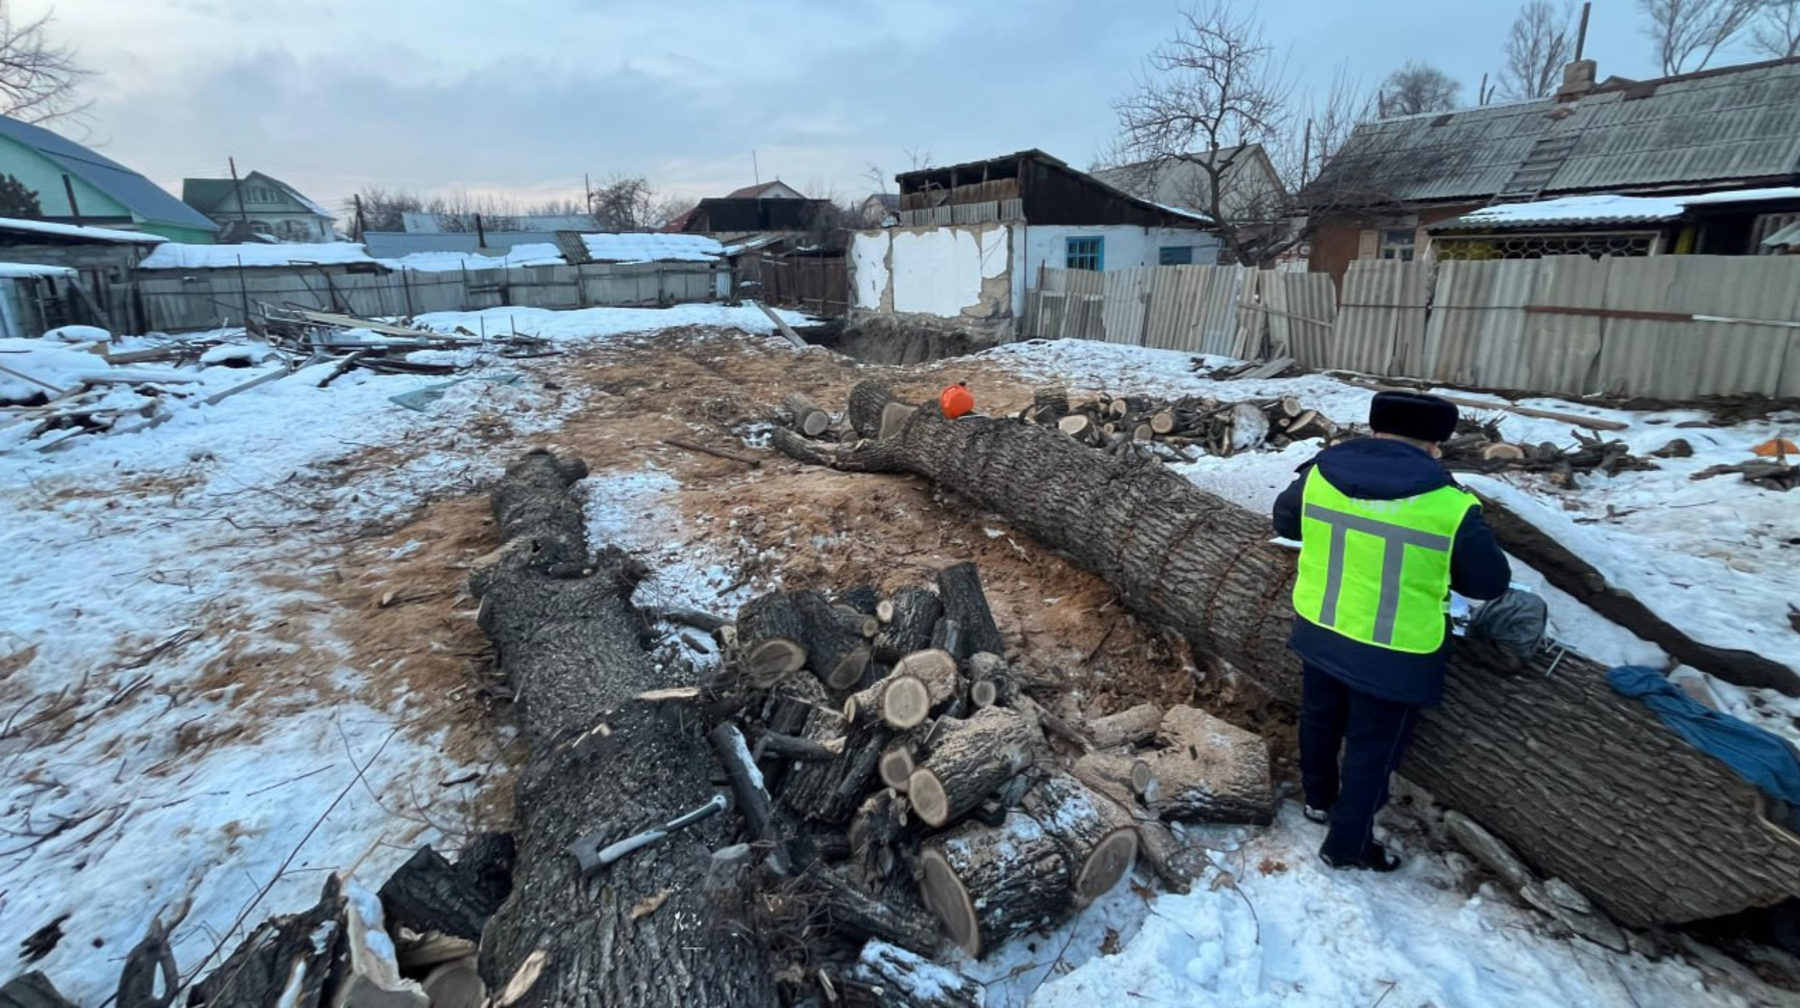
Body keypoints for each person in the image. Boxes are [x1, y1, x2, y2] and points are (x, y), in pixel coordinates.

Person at [1271, 391, 1510, 872]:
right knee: (1370, 750)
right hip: (1395, 652)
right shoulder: (1449, 505)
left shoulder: (1319, 473)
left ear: (1375, 429)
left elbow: (1285, 522)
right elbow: (1488, 583)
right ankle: (1348, 844)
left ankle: (1318, 799)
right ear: (1436, 445)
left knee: (1319, 719)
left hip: (1320, 627)